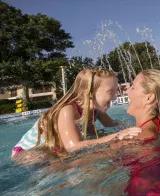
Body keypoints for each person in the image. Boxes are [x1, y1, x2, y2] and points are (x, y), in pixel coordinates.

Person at [11, 68, 141, 159]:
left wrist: (137, 127)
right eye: (110, 92)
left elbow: (112, 125)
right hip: (27, 153)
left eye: (116, 91)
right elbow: (73, 146)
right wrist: (118, 135)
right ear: (89, 94)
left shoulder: (95, 110)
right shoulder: (67, 110)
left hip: (53, 147)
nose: (115, 96)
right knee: (53, 164)